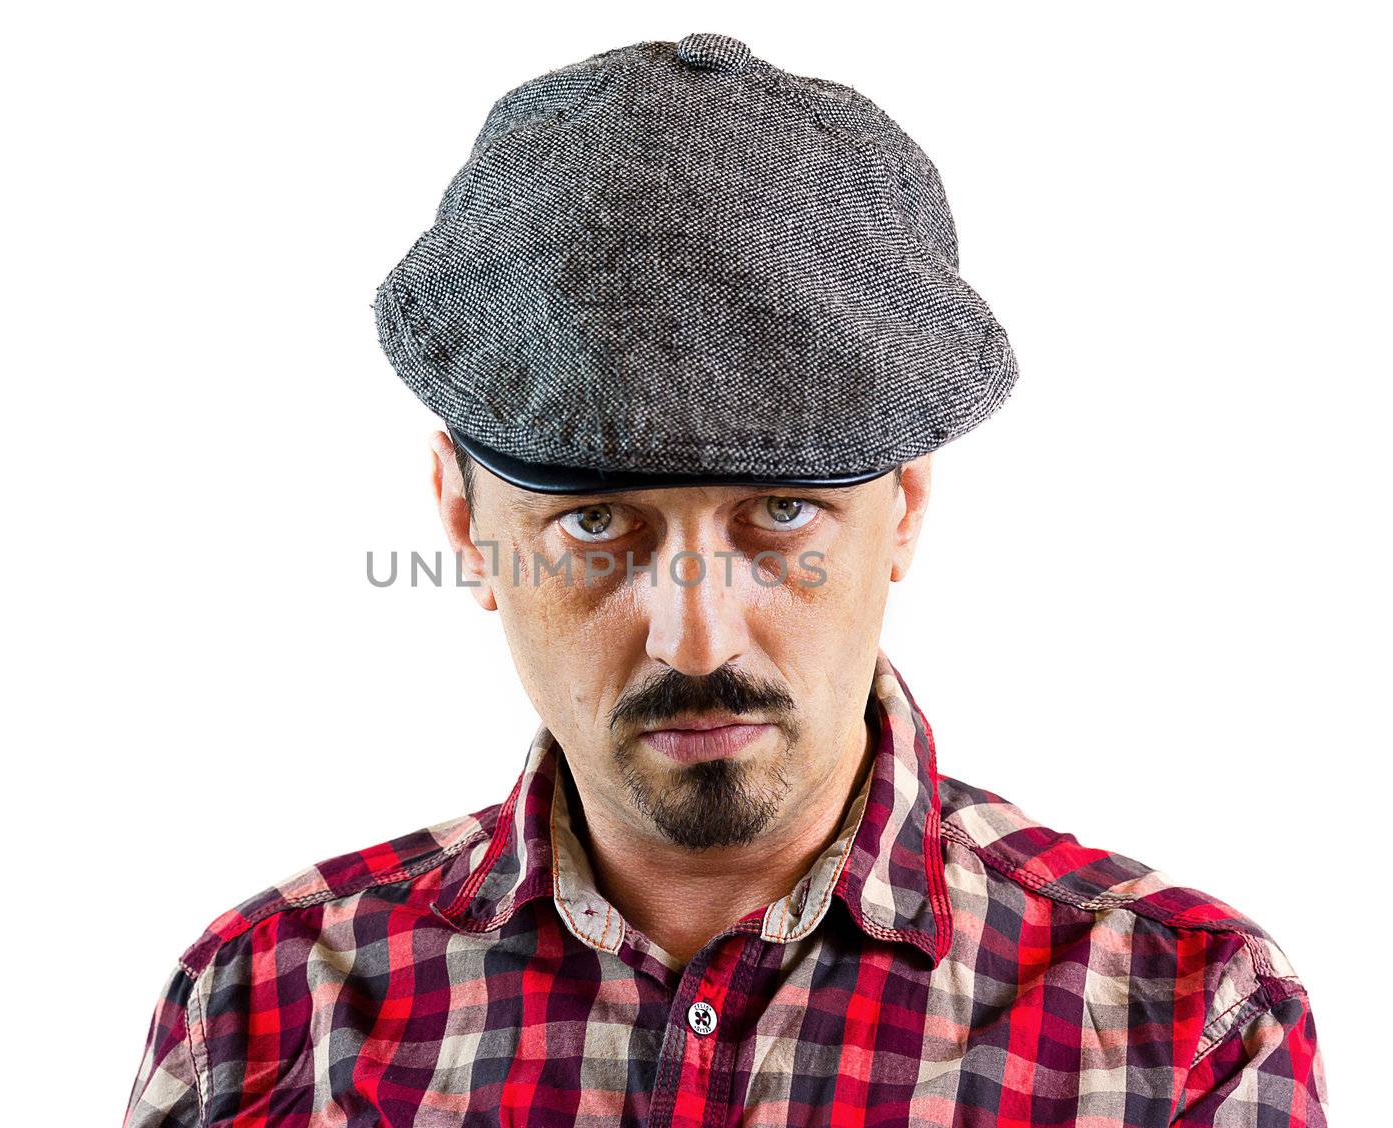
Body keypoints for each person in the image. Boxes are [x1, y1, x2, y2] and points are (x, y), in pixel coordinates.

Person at [123, 32, 1327, 1127]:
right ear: (461, 517)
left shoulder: (1181, 1026)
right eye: (596, 521)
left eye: (782, 514)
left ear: (901, 510)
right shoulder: (266, 1015)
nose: (694, 640)